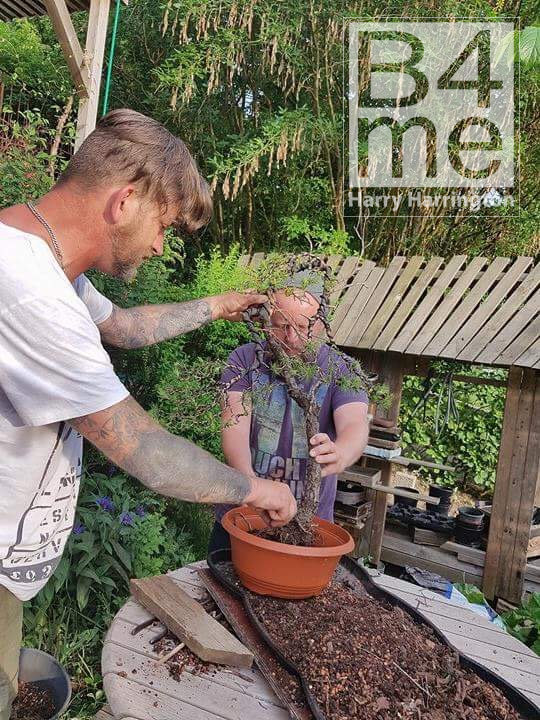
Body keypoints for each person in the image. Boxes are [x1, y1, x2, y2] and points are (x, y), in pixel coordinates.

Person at [0, 108, 296, 720]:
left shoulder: (51, 266)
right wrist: (256, 488)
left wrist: (218, 305)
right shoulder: (26, 287)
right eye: (162, 225)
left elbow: (127, 328)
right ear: (125, 200)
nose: (161, 246)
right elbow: (149, 454)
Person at [208, 273, 370, 554]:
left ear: (322, 322)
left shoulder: (341, 370)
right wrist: (250, 485)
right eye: (281, 326)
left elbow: (355, 423)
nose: (291, 338)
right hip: (243, 513)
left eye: (302, 327)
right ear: (267, 320)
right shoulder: (246, 359)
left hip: (308, 522)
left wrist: (342, 452)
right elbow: (234, 423)